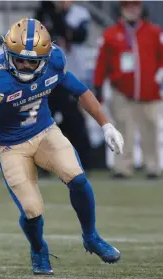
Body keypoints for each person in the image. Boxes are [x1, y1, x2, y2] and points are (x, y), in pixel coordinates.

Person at [0, 18, 123, 275]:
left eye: (33, 61)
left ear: (46, 56)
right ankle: (38, 248)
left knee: (76, 178)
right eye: (19, 59)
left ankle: (91, 236)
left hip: (44, 131)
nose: (25, 65)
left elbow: (81, 91)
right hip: (9, 146)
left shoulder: (54, 60)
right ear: (6, 52)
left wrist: (106, 125)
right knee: (32, 210)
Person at [93, 0, 163, 179]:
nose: (132, 9)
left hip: (149, 92)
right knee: (122, 130)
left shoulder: (154, 32)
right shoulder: (111, 34)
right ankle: (122, 167)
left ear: (141, 8)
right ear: (121, 9)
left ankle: (152, 166)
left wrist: (159, 78)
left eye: (135, 5)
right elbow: (101, 63)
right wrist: (98, 85)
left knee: (150, 128)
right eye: (127, 6)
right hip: (122, 92)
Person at [35, 1, 92, 172]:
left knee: (74, 121)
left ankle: (81, 161)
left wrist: (58, 17)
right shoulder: (44, 13)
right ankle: (42, 163)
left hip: (71, 74)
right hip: (48, 76)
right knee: (43, 121)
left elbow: (78, 36)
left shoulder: (79, 14)